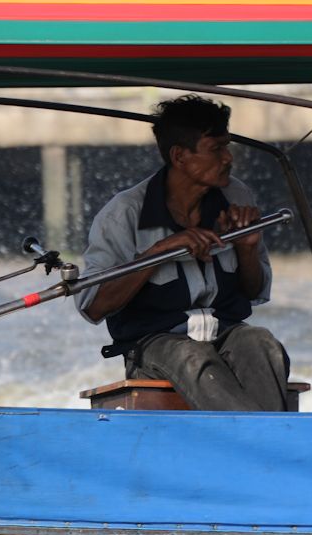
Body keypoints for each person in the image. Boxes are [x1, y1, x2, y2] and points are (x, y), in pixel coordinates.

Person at [76, 95, 291, 411]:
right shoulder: (124, 214)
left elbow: (254, 291)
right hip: (155, 345)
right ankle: (264, 445)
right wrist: (159, 252)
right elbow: (93, 307)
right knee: (195, 357)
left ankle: (269, 442)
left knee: (263, 343)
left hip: (227, 333)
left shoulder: (236, 195)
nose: (228, 158)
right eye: (216, 149)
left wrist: (248, 248)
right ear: (179, 156)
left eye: (227, 146)